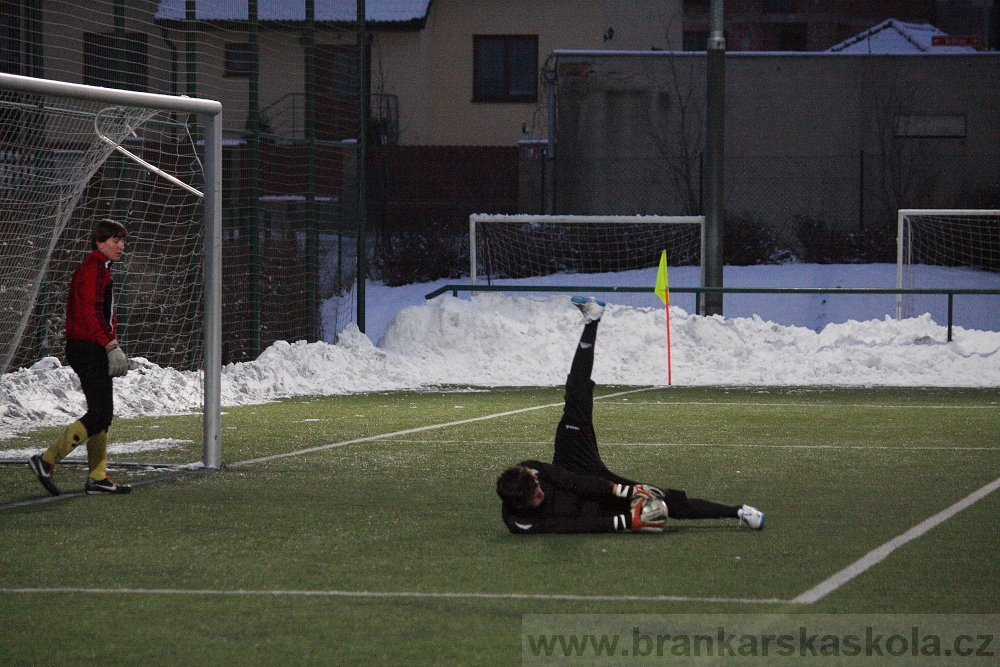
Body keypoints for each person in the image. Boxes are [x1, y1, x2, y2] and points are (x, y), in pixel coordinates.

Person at [496, 297, 764, 534]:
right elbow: (573, 527)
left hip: (573, 466)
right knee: (659, 502)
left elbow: (571, 480)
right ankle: (738, 511)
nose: (539, 490)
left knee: (576, 397)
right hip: (586, 508)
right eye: (535, 495)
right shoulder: (519, 522)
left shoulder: (530, 469)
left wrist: (626, 491)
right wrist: (628, 520)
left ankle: (592, 320)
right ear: (519, 504)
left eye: (537, 486)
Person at [28, 219, 133, 496]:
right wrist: (109, 343)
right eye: (115, 240)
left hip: (87, 345)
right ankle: (46, 460)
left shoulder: (100, 268)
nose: (121, 246)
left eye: (122, 240)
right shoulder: (95, 268)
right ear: (99, 243)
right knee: (100, 413)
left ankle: (97, 478)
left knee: (102, 415)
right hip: (88, 346)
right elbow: (90, 310)